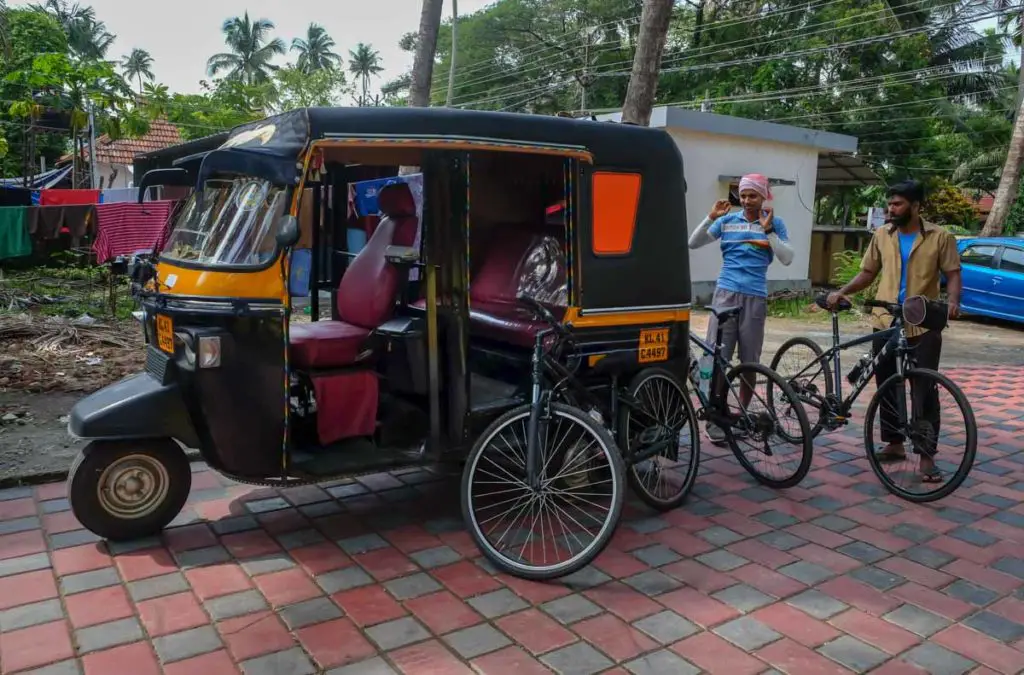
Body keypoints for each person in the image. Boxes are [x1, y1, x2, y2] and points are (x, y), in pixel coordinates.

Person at [827, 179, 962, 483]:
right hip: (885, 319)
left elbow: (952, 273)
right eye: (890, 204)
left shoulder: (941, 237)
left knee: (924, 388)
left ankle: (926, 456)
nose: (891, 209)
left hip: (923, 323)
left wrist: (953, 300)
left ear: (916, 206)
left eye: (898, 204)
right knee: (886, 383)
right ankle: (894, 444)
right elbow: (867, 272)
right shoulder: (882, 235)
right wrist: (843, 292)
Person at [689, 173, 794, 442]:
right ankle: (716, 416)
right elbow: (694, 242)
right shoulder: (726, 221)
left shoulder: (775, 223)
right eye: (743, 195)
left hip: (755, 297)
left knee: (750, 362)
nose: (747, 200)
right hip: (725, 294)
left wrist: (768, 231)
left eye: (753, 195)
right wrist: (711, 217)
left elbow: (787, 258)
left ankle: (742, 416)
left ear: (764, 197)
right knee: (716, 358)